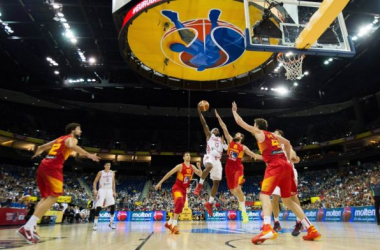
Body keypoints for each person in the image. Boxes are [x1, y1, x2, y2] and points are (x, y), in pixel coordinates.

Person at [231, 102, 321, 245]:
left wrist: (234, 111)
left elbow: (240, 122)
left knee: (264, 194)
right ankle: (311, 228)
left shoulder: (259, 133)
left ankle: (267, 227)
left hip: (275, 165)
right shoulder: (272, 135)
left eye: (254, 125)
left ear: (257, 126)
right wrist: (288, 158)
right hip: (286, 166)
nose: (253, 127)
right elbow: (287, 142)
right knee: (287, 201)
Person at [16, 123, 100, 244]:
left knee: (45, 197)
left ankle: (32, 226)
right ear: (73, 130)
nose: (80, 131)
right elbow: (71, 145)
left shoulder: (60, 138)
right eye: (79, 129)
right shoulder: (72, 139)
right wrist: (89, 155)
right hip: (53, 167)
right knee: (55, 196)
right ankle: (27, 227)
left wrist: (36, 154)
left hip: (43, 165)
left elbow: (43, 146)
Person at [215, 109, 261, 223]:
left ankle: (244, 212)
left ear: (241, 137)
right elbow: (224, 128)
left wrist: (265, 158)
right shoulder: (230, 141)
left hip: (238, 168)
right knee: (232, 191)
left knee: (237, 188)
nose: (236, 134)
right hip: (228, 168)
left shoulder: (243, 147)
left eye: (238, 134)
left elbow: (254, 155)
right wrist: (218, 117)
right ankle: (242, 200)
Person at [155, 152, 202, 234]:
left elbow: (200, 174)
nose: (188, 156)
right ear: (183, 158)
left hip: (184, 189)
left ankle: (169, 223)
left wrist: (199, 167)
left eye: (189, 155)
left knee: (179, 208)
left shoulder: (192, 167)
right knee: (179, 202)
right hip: (177, 188)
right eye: (187, 155)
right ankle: (174, 225)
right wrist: (160, 182)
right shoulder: (180, 166)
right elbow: (169, 173)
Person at [193, 106, 225, 216]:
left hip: (218, 161)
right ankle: (199, 186)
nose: (215, 129)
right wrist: (199, 112)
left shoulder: (221, 141)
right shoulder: (209, 136)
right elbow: (204, 123)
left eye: (217, 129)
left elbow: (227, 149)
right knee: (209, 166)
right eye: (214, 129)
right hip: (209, 157)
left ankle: (210, 203)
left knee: (216, 183)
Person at [271, 129, 303, 236]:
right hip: (277, 174)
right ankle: (276, 223)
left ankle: (299, 222)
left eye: (276, 133)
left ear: (280, 136)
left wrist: (295, 158)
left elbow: (294, 156)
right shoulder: (272, 148)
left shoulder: (286, 145)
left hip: (289, 173)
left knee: (293, 198)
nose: (274, 135)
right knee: (275, 198)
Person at [92, 162, 117, 231]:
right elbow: (95, 182)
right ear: (104, 166)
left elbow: (113, 182)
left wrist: (114, 191)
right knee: (99, 206)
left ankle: (111, 222)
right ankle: (95, 223)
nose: (108, 166)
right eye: (107, 165)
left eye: (109, 165)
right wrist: (95, 189)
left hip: (109, 190)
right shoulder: (100, 172)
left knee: (113, 205)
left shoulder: (112, 173)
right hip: (102, 189)